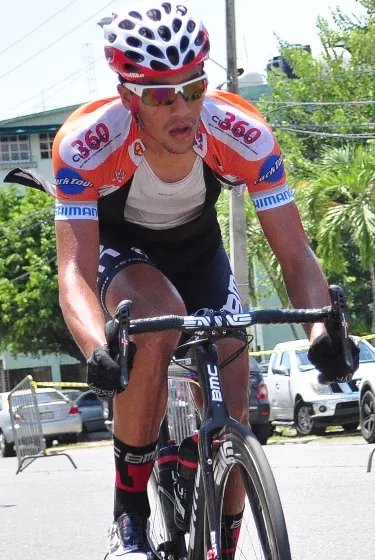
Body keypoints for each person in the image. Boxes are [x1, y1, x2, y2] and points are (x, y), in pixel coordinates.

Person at [5, 1, 359, 558]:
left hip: (199, 252)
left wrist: (321, 335)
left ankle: (227, 535)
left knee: (235, 406)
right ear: (128, 97)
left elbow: (294, 252)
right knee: (155, 317)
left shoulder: (242, 132)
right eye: (160, 96)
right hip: (125, 252)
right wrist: (99, 347)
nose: (182, 107)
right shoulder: (85, 142)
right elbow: (72, 271)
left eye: (193, 88)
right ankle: (129, 515)